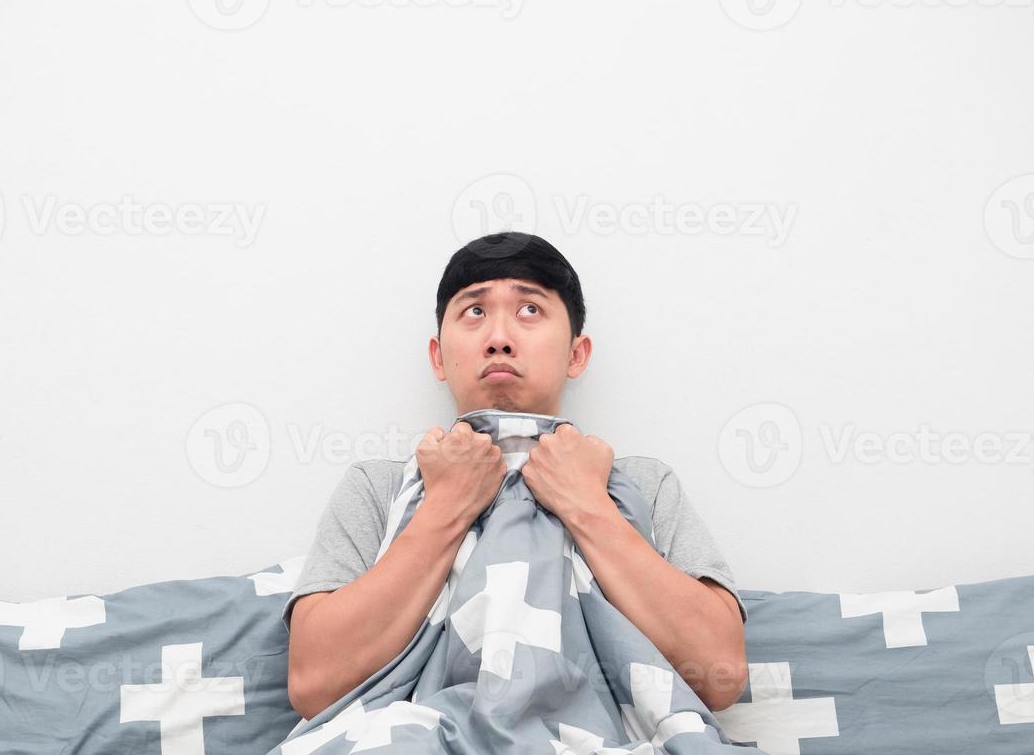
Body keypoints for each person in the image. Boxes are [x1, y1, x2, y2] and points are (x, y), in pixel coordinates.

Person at [284, 232, 747, 720]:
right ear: (438, 357)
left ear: (576, 354)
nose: (499, 338)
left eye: (530, 310)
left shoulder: (643, 486)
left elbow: (719, 673)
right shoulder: (378, 489)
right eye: (475, 312)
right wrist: (446, 506)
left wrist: (587, 506)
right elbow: (315, 686)